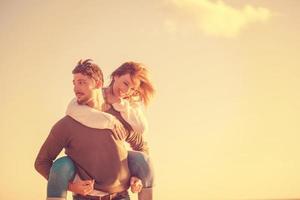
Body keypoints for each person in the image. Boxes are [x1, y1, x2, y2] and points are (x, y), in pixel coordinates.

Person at [35, 59, 149, 200]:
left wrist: (137, 176)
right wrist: (70, 186)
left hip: (121, 196)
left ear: (99, 84)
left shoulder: (119, 116)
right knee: (61, 165)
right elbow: (41, 162)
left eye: (82, 82)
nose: (76, 88)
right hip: (85, 198)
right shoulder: (67, 125)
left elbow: (142, 146)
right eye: (75, 83)